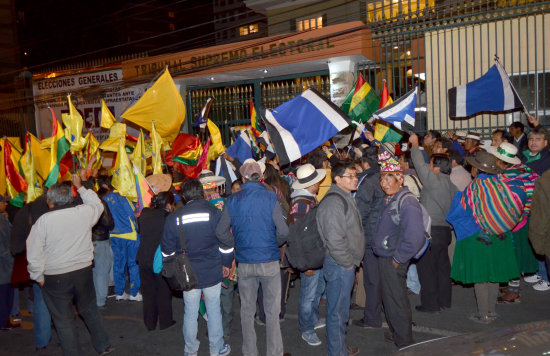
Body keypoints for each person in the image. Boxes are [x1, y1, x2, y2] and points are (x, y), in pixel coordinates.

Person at [26, 176, 113, 355]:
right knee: (90, 310)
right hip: (83, 272)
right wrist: (80, 186)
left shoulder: (43, 222)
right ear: (70, 198)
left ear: (50, 201)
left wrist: (38, 277)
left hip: (55, 276)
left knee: (63, 321)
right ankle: (103, 345)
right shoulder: (82, 213)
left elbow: (33, 253)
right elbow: (97, 204)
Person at [216, 160, 290, 356]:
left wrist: (236, 243)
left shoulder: (232, 200)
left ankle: (250, 352)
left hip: (245, 263)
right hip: (269, 262)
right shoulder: (270, 198)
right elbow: (283, 231)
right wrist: (272, 243)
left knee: (247, 312)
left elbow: (220, 232)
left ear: (242, 178)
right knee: (272, 313)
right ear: (261, 177)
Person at [447, 151, 525, 324]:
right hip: (501, 236)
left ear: (476, 169)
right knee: (494, 273)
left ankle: (483, 314)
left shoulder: (472, 189)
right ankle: (492, 310)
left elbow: (456, 215)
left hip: (477, 239)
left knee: (480, 276)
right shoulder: (503, 187)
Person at [163, 179, 231, 356]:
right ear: (201, 192)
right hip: (212, 270)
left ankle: (191, 350)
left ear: (184, 196)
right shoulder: (214, 213)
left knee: (190, 312)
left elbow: (167, 252)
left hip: (187, 274)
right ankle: (217, 349)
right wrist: (226, 262)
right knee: (214, 310)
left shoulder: (174, 217)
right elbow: (226, 243)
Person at [372, 152, 425, 348]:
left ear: (399, 179)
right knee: (391, 299)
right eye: (382, 178)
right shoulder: (391, 197)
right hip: (387, 257)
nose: (384, 183)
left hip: (394, 260)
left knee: (396, 301)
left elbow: (414, 237)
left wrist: (398, 259)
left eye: (389, 178)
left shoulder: (408, 201)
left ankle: (404, 343)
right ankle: (397, 333)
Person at [317, 161, 364, 356]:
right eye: (350, 176)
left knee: (341, 310)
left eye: (356, 175)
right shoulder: (334, 202)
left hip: (343, 263)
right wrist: (348, 264)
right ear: (337, 179)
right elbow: (335, 240)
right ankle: (337, 352)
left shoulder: (345, 196)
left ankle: (340, 347)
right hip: (339, 264)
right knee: (337, 313)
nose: (355, 179)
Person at [409, 134, 457, 313]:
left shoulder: (433, 181)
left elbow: (419, 165)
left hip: (429, 231)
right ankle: (445, 301)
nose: (428, 167)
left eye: (431, 164)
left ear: (436, 168)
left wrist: (415, 145)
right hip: (445, 232)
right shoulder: (453, 187)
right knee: (442, 268)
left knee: (427, 269)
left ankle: (430, 304)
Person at [488, 142, 538, 303]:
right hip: (528, 216)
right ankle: (511, 285)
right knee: (517, 254)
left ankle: (513, 292)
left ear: (501, 162)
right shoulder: (526, 170)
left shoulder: (506, 177)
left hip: (514, 220)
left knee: (513, 256)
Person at [289, 163, 327, 347]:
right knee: (308, 295)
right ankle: (306, 329)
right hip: (309, 258)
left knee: (316, 291)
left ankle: (311, 321)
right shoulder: (303, 204)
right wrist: (306, 264)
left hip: (315, 256)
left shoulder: (307, 199)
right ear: (312, 184)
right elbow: (297, 238)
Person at [352, 146, 386, 329]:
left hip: (371, 235)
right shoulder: (387, 176)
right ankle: (390, 314)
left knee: (372, 279)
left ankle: (372, 318)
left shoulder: (367, 182)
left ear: (365, 163)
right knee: (386, 277)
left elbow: (360, 212)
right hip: (388, 234)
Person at [137, 192, 175, 331]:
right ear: (168, 204)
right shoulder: (168, 218)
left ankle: (149, 323)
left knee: (148, 292)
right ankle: (165, 321)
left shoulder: (145, 213)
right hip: (159, 259)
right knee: (163, 291)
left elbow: (140, 230)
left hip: (143, 257)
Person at [104, 187, 142, 302]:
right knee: (133, 264)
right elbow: (134, 214)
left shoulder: (107, 198)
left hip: (114, 235)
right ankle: (134, 293)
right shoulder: (129, 198)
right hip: (130, 235)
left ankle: (119, 292)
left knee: (118, 263)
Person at [91, 187, 114, 309]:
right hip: (100, 240)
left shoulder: (80, 203)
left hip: (88, 241)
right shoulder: (99, 203)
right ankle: (100, 301)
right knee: (102, 272)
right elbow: (108, 222)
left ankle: (95, 298)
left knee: (94, 272)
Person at [0, 194, 15, 331]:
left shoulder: (3, 219)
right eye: (3, 202)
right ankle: (3, 321)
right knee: (4, 295)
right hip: (4, 267)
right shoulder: (2, 222)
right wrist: (11, 260)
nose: (6, 205)